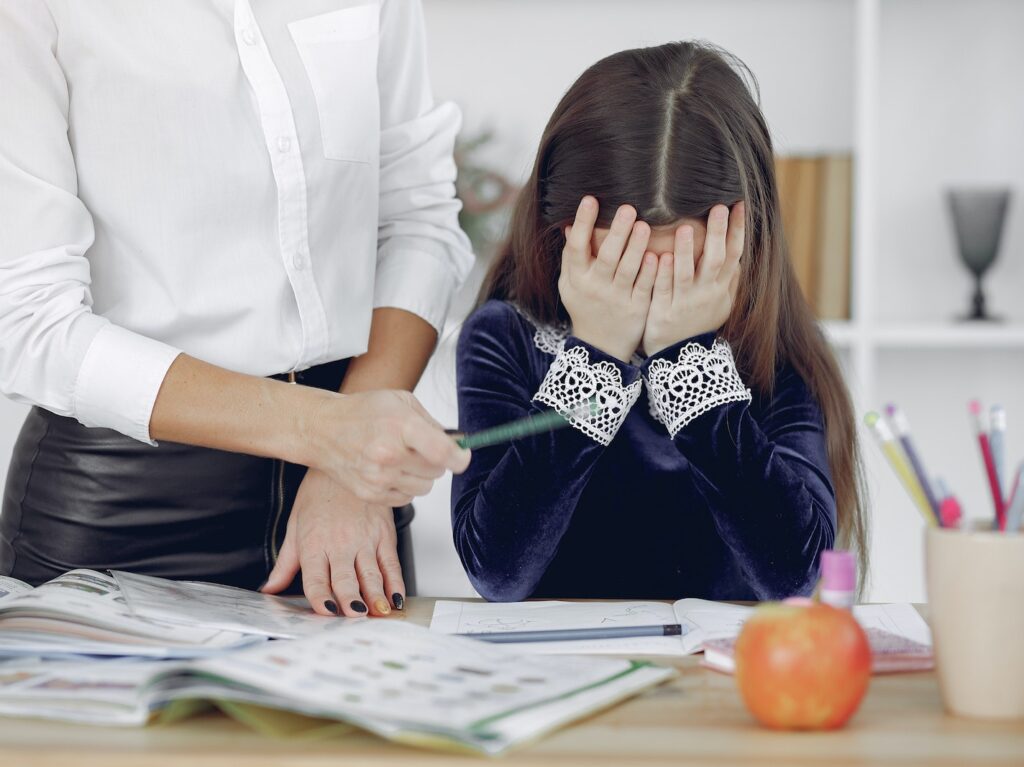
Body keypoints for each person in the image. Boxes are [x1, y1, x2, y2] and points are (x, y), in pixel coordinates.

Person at [0, 1, 472, 617]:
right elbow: (28, 318)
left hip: (349, 514)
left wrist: (349, 460)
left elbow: (418, 219)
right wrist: (329, 434)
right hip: (123, 519)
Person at [452, 41, 867, 602]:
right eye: (622, 262)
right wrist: (596, 351)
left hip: (722, 681)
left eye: (685, 267)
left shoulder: (772, 350)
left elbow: (793, 575)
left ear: (745, 245)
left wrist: (688, 357)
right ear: (564, 233)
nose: (652, 292)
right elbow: (497, 572)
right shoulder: (506, 336)